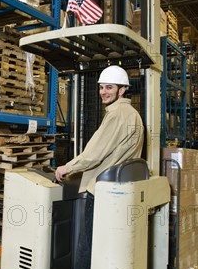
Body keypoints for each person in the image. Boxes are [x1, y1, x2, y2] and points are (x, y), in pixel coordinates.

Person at [54, 65, 144, 194]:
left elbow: (94, 155)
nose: (103, 92)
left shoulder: (117, 114)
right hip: (120, 183)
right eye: (101, 87)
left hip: (106, 186)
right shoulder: (132, 113)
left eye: (109, 87)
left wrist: (68, 167)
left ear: (121, 90)